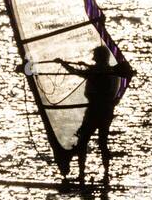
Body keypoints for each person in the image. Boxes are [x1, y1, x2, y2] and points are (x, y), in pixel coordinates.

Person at [54, 45, 135, 187]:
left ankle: (82, 174)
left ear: (100, 57)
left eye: (95, 56)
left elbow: (75, 71)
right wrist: (84, 67)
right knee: (102, 143)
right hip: (107, 111)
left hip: (95, 111)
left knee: (83, 142)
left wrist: (63, 64)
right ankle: (106, 174)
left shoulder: (100, 72)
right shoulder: (111, 71)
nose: (93, 58)